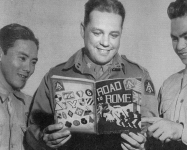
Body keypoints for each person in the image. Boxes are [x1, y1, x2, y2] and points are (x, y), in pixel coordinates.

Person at [26, 0, 158, 149]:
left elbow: (154, 132)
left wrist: (143, 145)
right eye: (97, 33)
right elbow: (31, 131)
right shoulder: (54, 76)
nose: (106, 42)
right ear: (83, 30)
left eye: (114, 35)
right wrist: (44, 138)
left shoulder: (139, 75)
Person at [126, 0, 187, 149]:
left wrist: (181, 130)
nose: (179, 46)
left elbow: (177, 131)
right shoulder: (168, 85)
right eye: (175, 38)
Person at [0, 23, 39, 150]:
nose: (28, 69)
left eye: (33, 62)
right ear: (0, 53)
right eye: (22, 58)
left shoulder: (31, 105)